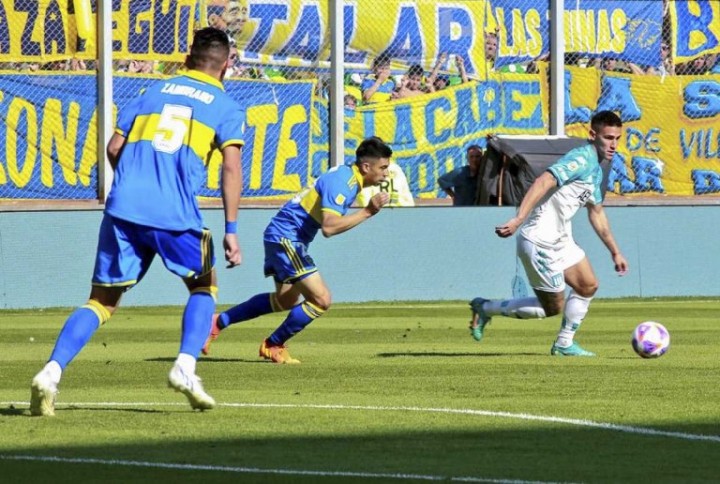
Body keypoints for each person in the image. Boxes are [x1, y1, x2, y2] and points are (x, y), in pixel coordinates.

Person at [29, 27, 245, 416]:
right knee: (203, 286)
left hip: (123, 208)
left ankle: (51, 371)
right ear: (227, 64)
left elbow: (115, 148)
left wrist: (132, 180)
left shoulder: (151, 92)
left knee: (100, 302)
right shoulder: (225, 106)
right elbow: (231, 167)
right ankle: (185, 366)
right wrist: (231, 230)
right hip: (175, 212)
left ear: (186, 59)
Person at [202, 137, 393, 363]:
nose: (386, 174)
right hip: (286, 237)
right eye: (383, 168)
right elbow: (329, 227)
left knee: (286, 300)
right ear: (366, 167)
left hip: (283, 236)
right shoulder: (344, 182)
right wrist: (368, 212)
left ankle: (217, 322)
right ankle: (273, 344)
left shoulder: (346, 177)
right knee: (321, 299)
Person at [469, 110, 628, 356]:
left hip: (561, 239)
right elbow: (544, 180)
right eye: (608, 138)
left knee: (588, 285)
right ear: (592, 135)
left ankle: (564, 344)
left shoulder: (596, 169)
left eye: (617, 138)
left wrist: (615, 252)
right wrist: (519, 218)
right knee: (552, 308)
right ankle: (485, 308)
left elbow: (596, 213)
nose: (614, 144)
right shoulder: (581, 158)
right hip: (539, 240)